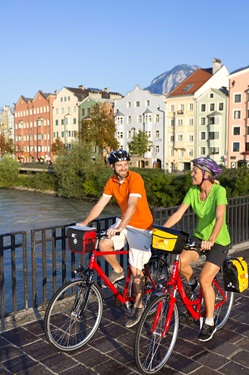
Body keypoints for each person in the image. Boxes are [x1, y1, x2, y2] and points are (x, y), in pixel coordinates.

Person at [77, 149, 153, 328]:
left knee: (136, 270)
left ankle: (139, 306)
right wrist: (86, 222)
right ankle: (118, 271)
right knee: (103, 243)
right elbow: (100, 204)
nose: (123, 167)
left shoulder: (135, 179)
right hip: (124, 223)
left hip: (141, 226)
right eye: (119, 165)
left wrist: (120, 227)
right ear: (112, 166)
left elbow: (133, 205)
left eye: (126, 164)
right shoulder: (111, 182)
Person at [162, 157, 230, 342]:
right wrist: (160, 233)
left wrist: (212, 239)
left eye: (195, 172)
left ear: (206, 175)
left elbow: (219, 218)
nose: (191, 174)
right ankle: (192, 284)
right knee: (180, 261)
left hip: (218, 241)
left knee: (205, 279)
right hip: (199, 237)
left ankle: (209, 322)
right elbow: (178, 214)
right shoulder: (193, 191)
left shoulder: (219, 191)